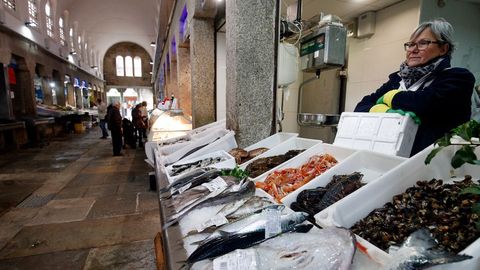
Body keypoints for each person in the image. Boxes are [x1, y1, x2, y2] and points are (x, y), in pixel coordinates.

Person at [354, 18, 475, 157]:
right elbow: (361, 106)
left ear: (443, 48)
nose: (413, 50)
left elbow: (424, 103)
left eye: (423, 43)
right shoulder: (397, 80)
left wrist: (391, 96)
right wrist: (381, 109)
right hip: (391, 158)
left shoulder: (457, 77)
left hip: (434, 162)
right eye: (410, 45)